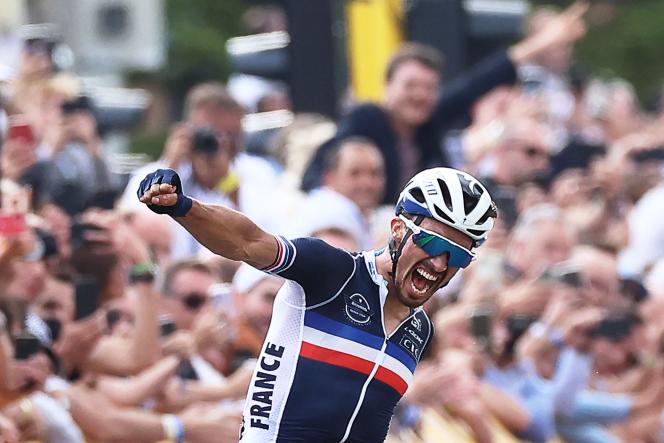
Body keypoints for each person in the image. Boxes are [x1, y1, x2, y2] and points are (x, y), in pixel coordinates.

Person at [137, 165, 497, 442]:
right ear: (398, 229)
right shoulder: (332, 270)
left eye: (457, 256)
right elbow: (246, 241)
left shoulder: (419, 330)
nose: (439, 264)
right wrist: (182, 206)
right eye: (433, 244)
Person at [302, 2, 587, 203]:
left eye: (428, 88)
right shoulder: (366, 120)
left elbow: (477, 82)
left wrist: (543, 43)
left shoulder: (429, 126)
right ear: (387, 88)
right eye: (410, 86)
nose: (419, 95)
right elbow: (320, 173)